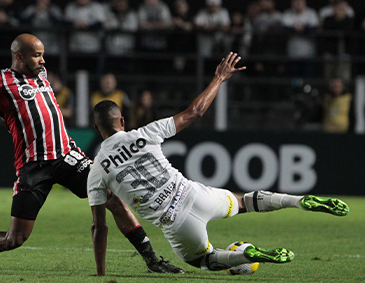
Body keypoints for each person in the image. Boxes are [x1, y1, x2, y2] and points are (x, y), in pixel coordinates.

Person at [87, 52, 349, 276]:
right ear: (122, 122)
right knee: (245, 202)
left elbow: (100, 226)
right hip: (195, 194)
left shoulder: (97, 169)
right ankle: (298, 201)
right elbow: (195, 112)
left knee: (203, 260)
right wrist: (220, 77)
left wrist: (100, 273)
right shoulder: (145, 133)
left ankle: (247, 256)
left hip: (176, 224)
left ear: (97, 129)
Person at [0, 33, 183, 274]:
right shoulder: (0, 79)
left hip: (67, 155)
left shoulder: (42, 75)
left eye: (43, 55)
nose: (42, 60)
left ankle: (152, 260)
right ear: (19, 57)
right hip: (33, 166)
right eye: (37, 55)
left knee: (113, 197)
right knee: (15, 238)